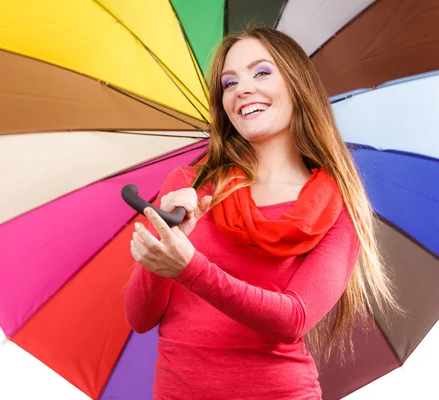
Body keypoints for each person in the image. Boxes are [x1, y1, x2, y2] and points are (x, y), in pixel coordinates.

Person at [124, 27, 400, 399]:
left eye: (261, 72)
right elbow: (139, 318)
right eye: (229, 82)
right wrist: (163, 245)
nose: (243, 89)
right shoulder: (191, 184)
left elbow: (293, 319)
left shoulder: (338, 206)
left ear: (297, 84)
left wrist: (191, 268)